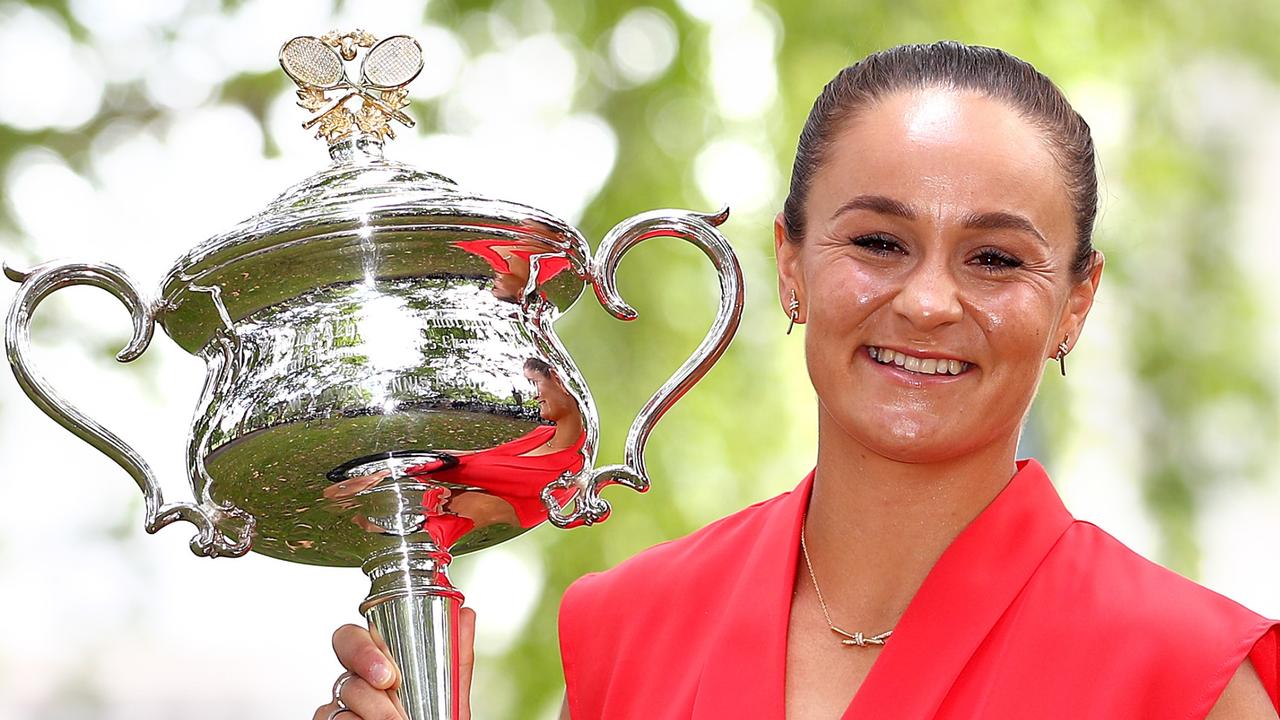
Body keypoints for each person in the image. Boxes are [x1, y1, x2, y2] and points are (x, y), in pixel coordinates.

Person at [313, 41, 1280, 720]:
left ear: (1074, 303)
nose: (930, 302)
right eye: (879, 242)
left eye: (994, 258)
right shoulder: (629, 629)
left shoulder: (1185, 676)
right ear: (789, 265)